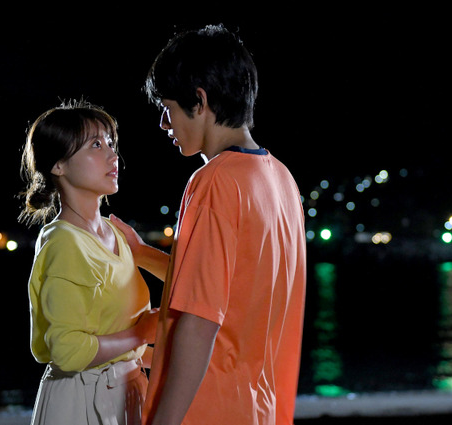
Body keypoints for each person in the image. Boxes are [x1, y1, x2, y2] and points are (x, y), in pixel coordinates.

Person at [112, 24, 307, 425]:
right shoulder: (282, 181)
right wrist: (141, 254)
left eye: (167, 108)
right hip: (259, 409)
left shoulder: (215, 181)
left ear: (199, 101)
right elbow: (233, 291)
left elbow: (200, 322)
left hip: (207, 410)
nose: (164, 123)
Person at [19, 99, 165, 425]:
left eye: (111, 144)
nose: (113, 156)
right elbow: (67, 350)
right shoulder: (63, 241)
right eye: (96, 145)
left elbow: (115, 335)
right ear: (58, 165)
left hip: (125, 392)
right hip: (81, 402)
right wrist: (140, 334)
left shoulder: (117, 234)